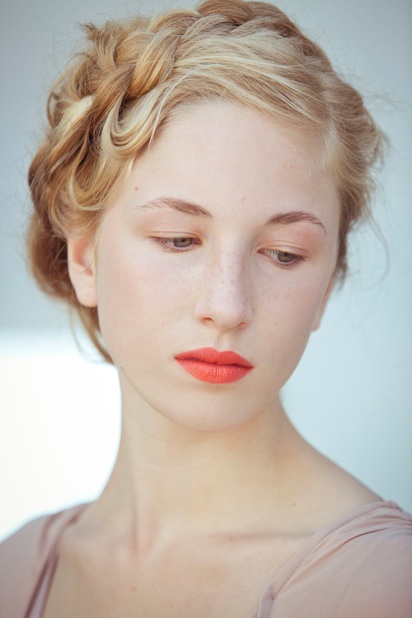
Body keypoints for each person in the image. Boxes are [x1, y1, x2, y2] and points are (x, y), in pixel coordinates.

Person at [0, 0, 411, 616]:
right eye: (178, 240)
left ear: (328, 283)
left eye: (283, 254)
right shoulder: (16, 573)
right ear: (84, 259)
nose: (228, 306)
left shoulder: (382, 588)